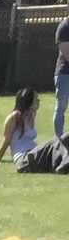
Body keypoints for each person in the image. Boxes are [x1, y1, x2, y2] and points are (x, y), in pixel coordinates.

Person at [0, 88, 38, 172]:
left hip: (34, 154)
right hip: (23, 158)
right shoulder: (14, 117)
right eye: (36, 99)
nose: (38, 101)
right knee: (54, 143)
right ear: (29, 101)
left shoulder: (31, 116)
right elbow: (5, 142)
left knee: (59, 143)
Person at [56, 11, 69, 142]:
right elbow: (67, 53)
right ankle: (59, 140)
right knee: (61, 106)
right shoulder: (64, 27)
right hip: (64, 74)